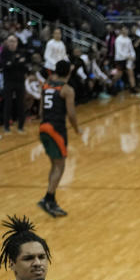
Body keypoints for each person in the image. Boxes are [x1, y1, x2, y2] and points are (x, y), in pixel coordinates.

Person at [37, 60, 80, 218]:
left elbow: (41, 111)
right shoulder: (67, 90)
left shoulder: (46, 86)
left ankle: (50, 199)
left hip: (43, 128)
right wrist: (76, 129)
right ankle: (48, 199)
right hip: (56, 129)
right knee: (60, 166)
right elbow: (71, 114)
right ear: (69, 72)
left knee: (54, 165)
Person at [0, 35, 28, 133]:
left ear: (17, 42)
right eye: (10, 41)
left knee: (21, 104)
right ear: (7, 43)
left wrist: (13, 63)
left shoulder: (21, 52)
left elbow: (24, 66)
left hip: (20, 81)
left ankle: (21, 126)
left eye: (14, 41)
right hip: (8, 81)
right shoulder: (4, 53)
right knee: (8, 104)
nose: (12, 43)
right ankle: (6, 126)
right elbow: (5, 66)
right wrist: (16, 62)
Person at [114, 26, 137, 93]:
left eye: (126, 30)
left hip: (128, 59)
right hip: (120, 59)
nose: (126, 31)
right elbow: (119, 52)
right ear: (121, 31)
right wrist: (128, 56)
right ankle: (110, 85)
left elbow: (131, 49)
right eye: (124, 30)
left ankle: (133, 88)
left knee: (131, 73)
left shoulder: (128, 39)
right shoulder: (118, 39)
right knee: (119, 74)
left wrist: (133, 56)